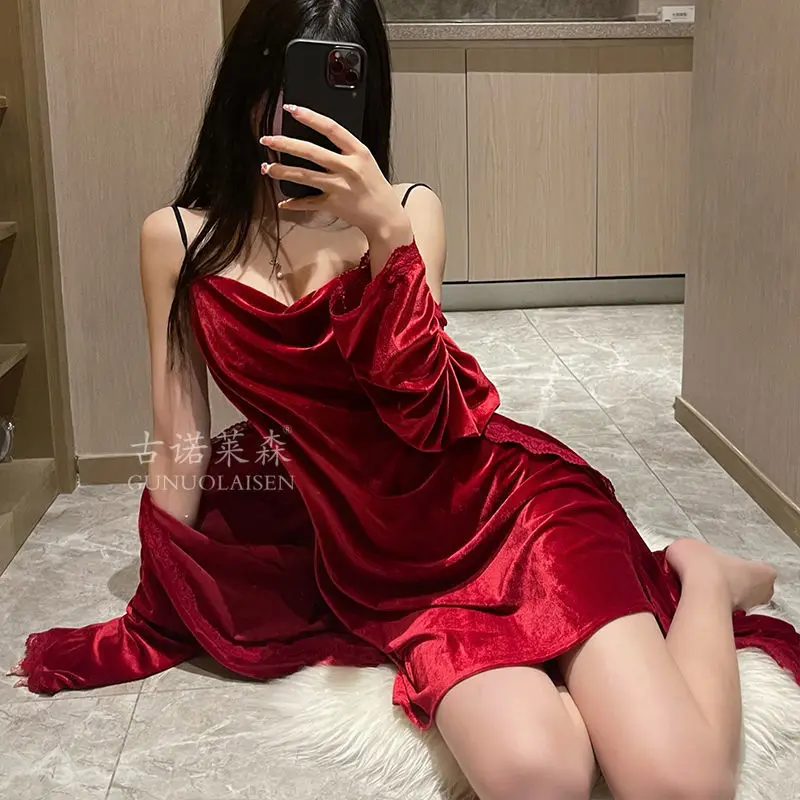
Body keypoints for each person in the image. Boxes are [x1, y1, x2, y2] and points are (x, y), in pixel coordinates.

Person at [10, 1, 800, 798]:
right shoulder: (177, 239)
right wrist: (150, 619)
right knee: (539, 777)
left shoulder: (409, 210)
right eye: (285, 79)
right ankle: (590, 670)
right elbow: (179, 439)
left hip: (513, 509)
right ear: (247, 81)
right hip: (395, 571)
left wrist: (385, 238)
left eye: (337, 81)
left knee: (680, 786)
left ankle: (701, 575)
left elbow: (424, 411)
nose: (301, 110)